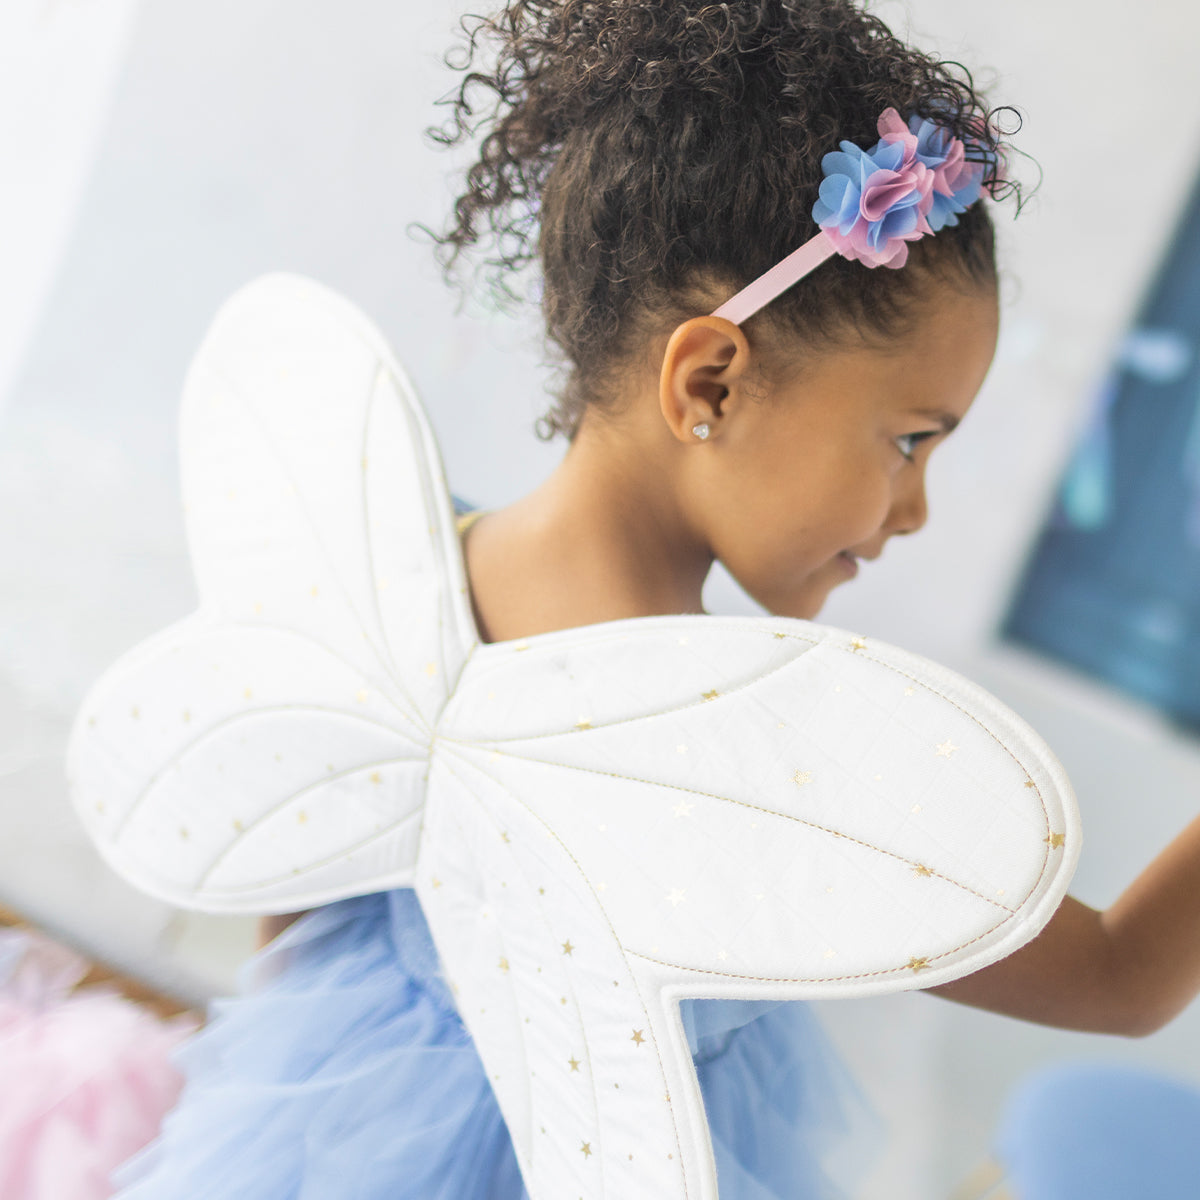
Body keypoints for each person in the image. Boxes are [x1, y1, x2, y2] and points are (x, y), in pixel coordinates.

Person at [95, 1, 1200, 1197]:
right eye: (909, 441)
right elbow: (1121, 982)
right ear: (714, 379)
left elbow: (297, 919)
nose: (915, 506)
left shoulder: (397, 573)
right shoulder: (747, 755)